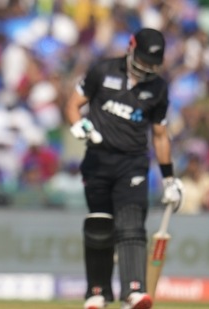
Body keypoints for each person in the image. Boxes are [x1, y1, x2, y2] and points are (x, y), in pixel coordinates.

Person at [65, 28, 182, 309]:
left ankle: (134, 290)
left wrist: (169, 179)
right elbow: (73, 105)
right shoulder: (102, 72)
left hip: (133, 163)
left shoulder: (158, 88)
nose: (146, 70)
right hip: (97, 161)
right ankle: (97, 292)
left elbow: (160, 134)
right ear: (131, 49)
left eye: (152, 65)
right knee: (99, 225)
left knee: (131, 222)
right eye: (143, 63)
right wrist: (79, 125)